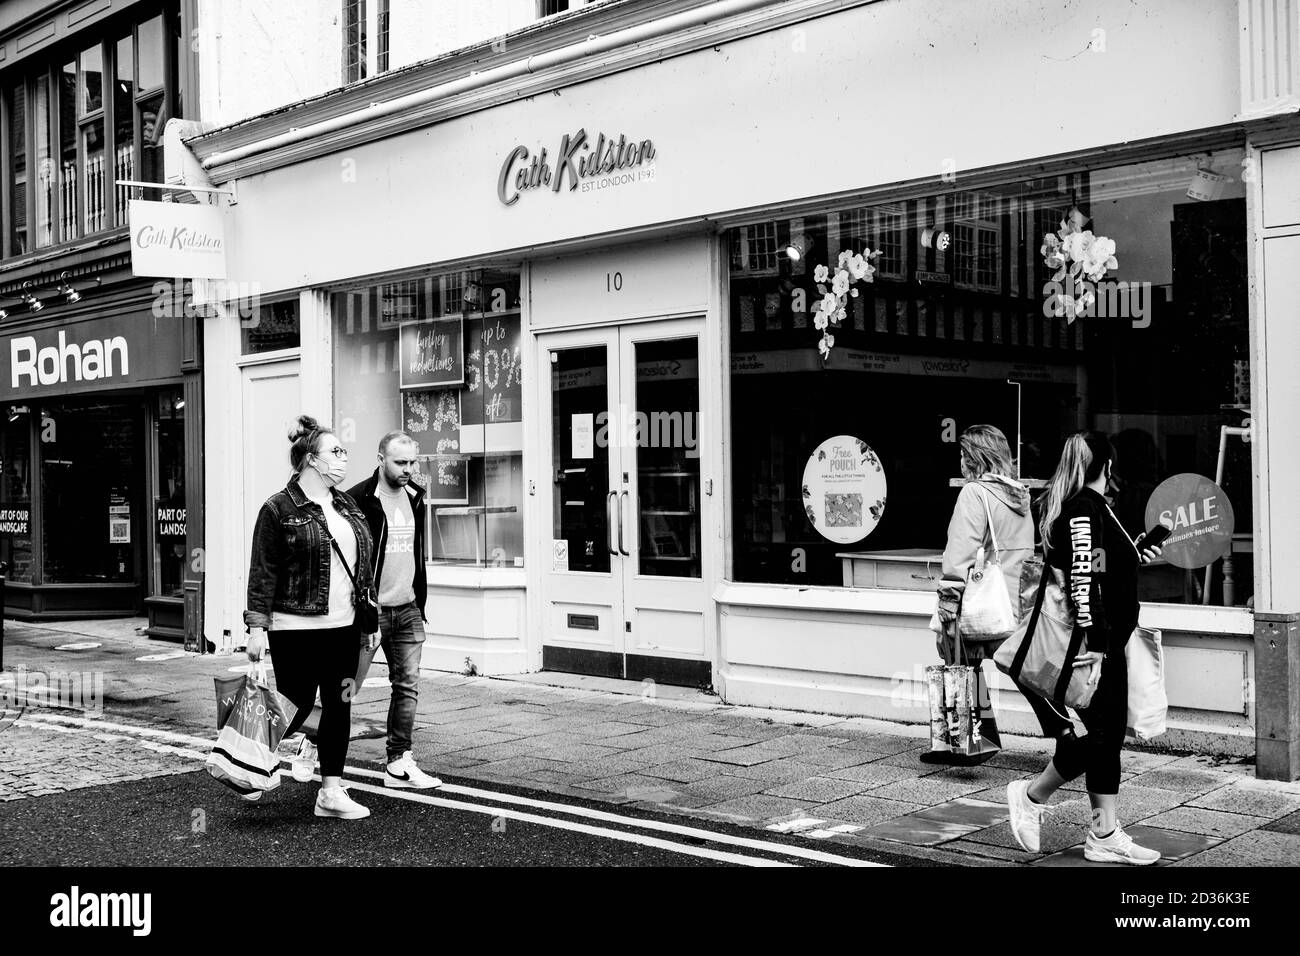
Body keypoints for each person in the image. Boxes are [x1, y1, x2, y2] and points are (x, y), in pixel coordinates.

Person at [1007, 431, 1164, 864]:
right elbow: (1081, 578)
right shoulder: (1083, 509)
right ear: (1107, 466)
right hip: (1091, 646)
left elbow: (1096, 565)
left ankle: (1103, 833)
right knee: (1102, 739)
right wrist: (1096, 643)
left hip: (1106, 641)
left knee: (1106, 738)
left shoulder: (1092, 507)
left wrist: (1132, 553)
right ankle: (1032, 797)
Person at [244, 415, 380, 820]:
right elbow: (263, 571)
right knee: (295, 705)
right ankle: (249, 758)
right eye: (335, 451)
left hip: (345, 625)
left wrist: (370, 622)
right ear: (311, 459)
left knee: (339, 705)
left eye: (344, 451)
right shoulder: (278, 508)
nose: (343, 458)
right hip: (295, 627)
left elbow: (362, 568)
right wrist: (256, 628)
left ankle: (330, 793)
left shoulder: (346, 504)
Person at [928, 425, 1034, 765]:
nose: (960, 461)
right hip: (1012, 600)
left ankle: (973, 741)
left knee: (960, 658)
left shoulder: (974, 493)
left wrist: (949, 596)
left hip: (980, 599)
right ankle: (1062, 732)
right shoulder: (1020, 496)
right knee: (1020, 667)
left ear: (973, 458)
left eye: (962, 454)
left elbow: (961, 548)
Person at [348, 431, 441, 789]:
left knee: (407, 686)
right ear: (380, 459)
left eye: (413, 462)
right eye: (400, 462)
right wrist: (364, 607)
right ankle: (312, 743)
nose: (408, 469)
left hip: (407, 608)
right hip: (370, 612)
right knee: (346, 687)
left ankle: (398, 762)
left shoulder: (415, 496)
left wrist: (418, 597)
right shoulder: (358, 499)